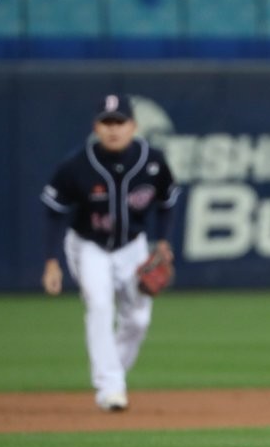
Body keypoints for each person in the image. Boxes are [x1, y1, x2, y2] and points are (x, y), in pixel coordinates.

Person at [40, 94, 179, 412]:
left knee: (138, 320)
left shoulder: (153, 161)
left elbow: (167, 202)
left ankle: (112, 375)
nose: (113, 129)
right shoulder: (75, 165)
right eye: (107, 122)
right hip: (89, 246)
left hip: (133, 246)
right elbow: (53, 212)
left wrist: (163, 241)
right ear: (96, 127)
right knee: (100, 305)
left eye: (119, 122)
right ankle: (111, 388)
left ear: (133, 126)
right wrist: (51, 262)